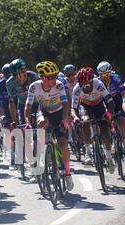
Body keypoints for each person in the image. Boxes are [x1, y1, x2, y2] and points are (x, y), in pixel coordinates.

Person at [26, 61, 74, 190]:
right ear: (43, 77)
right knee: (41, 123)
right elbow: (28, 106)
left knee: (63, 143)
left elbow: (65, 103)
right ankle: (44, 156)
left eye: (55, 75)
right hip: (44, 112)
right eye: (52, 76)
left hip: (58, 113)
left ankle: (68, 173)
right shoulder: (34, 87)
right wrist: (27, 122)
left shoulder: (58, 85)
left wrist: (64, 120)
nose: (55, 78)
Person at [71, 67, 116, 174]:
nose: (85, 87)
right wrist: (75, 117)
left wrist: (108, 113)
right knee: (85, 121)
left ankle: (109, 157)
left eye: (87, 84)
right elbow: (74, 108)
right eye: (83, 85)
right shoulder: (77, 89)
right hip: (85, 107)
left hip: (99, 105)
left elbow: (110, 102)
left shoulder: (98, 83)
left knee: (105, 130)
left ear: (92, 81)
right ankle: (88, 152)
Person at [97, 61, 125, 162]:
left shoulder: (116, 78)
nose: (105, 77)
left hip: (116, 100)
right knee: (105, 122)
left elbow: (123, 93)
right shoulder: (98, 82)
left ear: (110, 72)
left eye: (107, 74)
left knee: (121, 121)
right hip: (104, 102)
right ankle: (108, 142)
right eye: (102, 75)